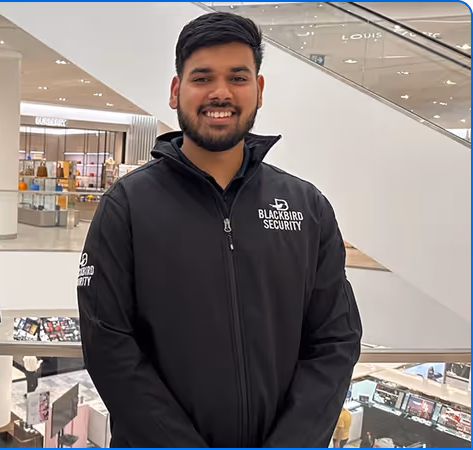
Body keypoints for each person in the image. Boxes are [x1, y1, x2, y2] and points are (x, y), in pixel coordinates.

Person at [77, 12, 362, 448]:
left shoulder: (307, 209)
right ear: (176, 91)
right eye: (202, 78)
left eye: (238, 77)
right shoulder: (127, 208)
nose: (220, 93)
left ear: (259, 91)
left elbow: (335, 340)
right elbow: (110, 346)